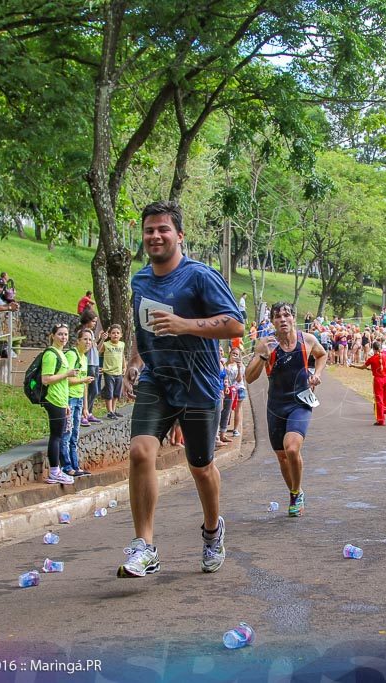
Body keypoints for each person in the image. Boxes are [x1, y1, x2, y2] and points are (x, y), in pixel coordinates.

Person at [118, 200, 243, 578]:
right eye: (149, 230)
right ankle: (145, 546)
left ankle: (211, 531)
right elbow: (144, 326)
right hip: (158, 377)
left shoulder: (200, 276)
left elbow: (236, 325)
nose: (155, 236)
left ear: (179, 235)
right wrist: (135, 360)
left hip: (199, 383)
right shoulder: (140, 280)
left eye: (163, 230)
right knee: (141, 452)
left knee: (200, 468)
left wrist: (185, 324)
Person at [245, 301, 327, 517]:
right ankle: (294, 490)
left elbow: (322, 355)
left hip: (300, 401)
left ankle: (296, 494)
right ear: (272, 321)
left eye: (286, 315)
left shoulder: (307, 340)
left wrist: (316, 374)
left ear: (293, 318)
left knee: (291, 448)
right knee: (282, 456)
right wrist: (263, 356)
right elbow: (249, 378)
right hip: (276, 405)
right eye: (277, 316)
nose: (282, 319)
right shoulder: (265, 344)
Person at [39, 323, 79, 485]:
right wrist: (67, 374)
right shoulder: (51, 354)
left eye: (66, 335)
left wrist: (66, 403)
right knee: (56, 436)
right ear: (53, 335)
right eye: (60, 334)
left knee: (59, 434)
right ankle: (55, 471)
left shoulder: (61, 353)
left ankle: (56, 470)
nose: (63, 338)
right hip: (53, 399)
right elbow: (46, 379)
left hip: (61, 400)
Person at [60, 328, 96, 477]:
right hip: (68, 399)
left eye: (90, 340)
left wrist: (85, 407)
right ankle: (67, 467)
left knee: (75, 434)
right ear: (78, 341)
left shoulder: (84, 358)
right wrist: (83, 380)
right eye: (85, 339)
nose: (87, 342)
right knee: (66, 434)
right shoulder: (71, 355)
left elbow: (84, 385)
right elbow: (66, 379)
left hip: (79, 399)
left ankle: (76, 466)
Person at [354, 340, 386, 426]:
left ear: (373, 349)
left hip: (378, 380)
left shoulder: (372, 359)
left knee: (379, 400)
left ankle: (381, 419)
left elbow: (363, 367)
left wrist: (353, 365)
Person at [78, 306, 104, 425]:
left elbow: (96, 350)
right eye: (93, 321)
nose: (94, 324)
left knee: (95, 389)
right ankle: (84, 412)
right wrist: (96, 339)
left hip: (94, 363)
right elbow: (86, 348)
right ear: (87, 320)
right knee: (88, 390)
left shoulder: (91, 334)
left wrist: (101, 340)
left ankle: (89, 412)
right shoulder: (84, 333)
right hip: (88, 364)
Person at [99, 324, 125, 418]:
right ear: (109, 335)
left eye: (118, 333)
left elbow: (122, 356)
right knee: (109, 392)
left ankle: (113, 410)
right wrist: (102, 339)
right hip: (109, 372)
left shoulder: (122, 344)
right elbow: (98, 351)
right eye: (113, 333)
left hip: (119, 372)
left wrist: (124, 367)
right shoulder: (106, 344)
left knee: (116, 393)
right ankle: (109, 411)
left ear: (121, 335)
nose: (116, 335)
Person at [223, 347, 246, 437]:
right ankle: (223, 428)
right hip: (227, 388)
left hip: (238, 388)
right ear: (230, 354)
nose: (235, 356)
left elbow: (239, 380)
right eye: (234, 354)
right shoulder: (224, 362)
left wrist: (239, 368)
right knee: (226, 409)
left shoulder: (241, 366)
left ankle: (235, 429)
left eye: (237, 355)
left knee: (237, 410)